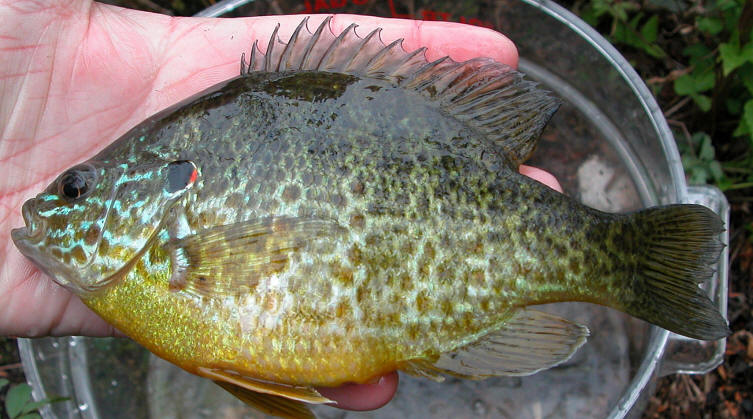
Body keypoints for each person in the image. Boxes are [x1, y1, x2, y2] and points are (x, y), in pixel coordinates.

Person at [0, 1, 563, 412]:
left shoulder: (169, 249)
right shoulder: (151, 263)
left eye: (77, 190)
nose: (56, 204)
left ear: (167, 186)